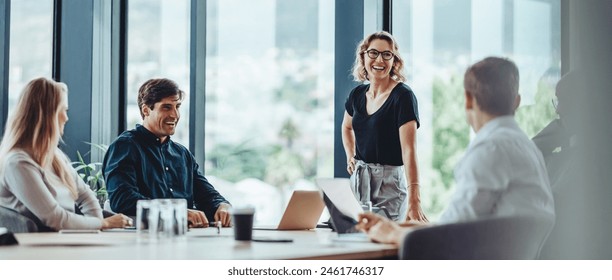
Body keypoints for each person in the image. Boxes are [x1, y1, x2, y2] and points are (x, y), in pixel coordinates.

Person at [356, 57, 555, 245]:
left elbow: (450, 236)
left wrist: (392, 234)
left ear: (468, 100)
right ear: (516, 102)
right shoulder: (527, 148)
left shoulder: (490, 150)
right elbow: (462, 222)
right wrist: (400, 227)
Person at [0, 78, 131, 231]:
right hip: (36, 249)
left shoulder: (55, 156)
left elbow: (85, 195)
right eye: (64, 110)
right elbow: (55, 218)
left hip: (61, 240)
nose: (66, 118)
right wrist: (104, 223)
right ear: (48, 115)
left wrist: (96, 226)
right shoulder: (18, 163)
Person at [103, 78, 231, 227]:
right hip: (142, 240)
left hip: (185, 239)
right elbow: (123, 200)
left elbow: (206, 194)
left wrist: (222, 205)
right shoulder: (125, 146)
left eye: (177, 106)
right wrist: (177, 212)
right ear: (146, 110)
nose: (175, 115)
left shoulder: (182, 154)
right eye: (166, 107)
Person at [342, 31, 427, 222]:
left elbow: (409, 150)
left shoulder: (403, 96)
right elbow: (347, 127)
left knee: (386, 246)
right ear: (363, 56)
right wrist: (350, 155)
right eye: (373, 53)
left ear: (394, 60)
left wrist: (415, 199)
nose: (379, 59)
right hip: (358, 181)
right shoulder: (357, 94)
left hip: (389, 185)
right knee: (355, 243)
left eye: (386, 54)